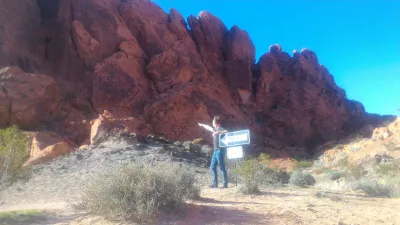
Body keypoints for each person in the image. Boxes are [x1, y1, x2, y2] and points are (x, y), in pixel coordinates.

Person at [209, 116, 229, 188]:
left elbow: (226, 132)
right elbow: (209, 128)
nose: (212, 123)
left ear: (215, 123)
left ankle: (225, 184)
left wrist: (218, 132)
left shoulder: (220, 129)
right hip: (215, 151)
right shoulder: (214, 129)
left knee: (221, 167)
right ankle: (215, 184)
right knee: (213, 167)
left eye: (213, 122)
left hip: (220, 150)